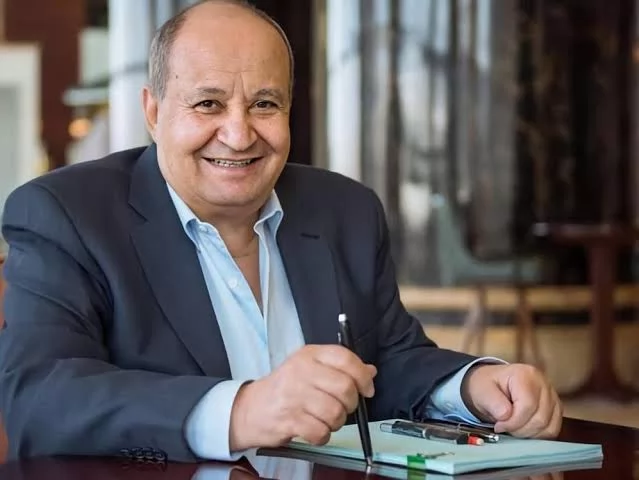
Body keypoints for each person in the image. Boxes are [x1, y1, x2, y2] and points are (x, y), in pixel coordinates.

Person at [0, 0, 562, 463]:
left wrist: (470, 386)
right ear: (153, 111)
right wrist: (243, 410)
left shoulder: (345, 210)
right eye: (208, 104)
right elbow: (42, 399)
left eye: (264, 104)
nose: (239, 133)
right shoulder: (65, 214)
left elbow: (386, 362)